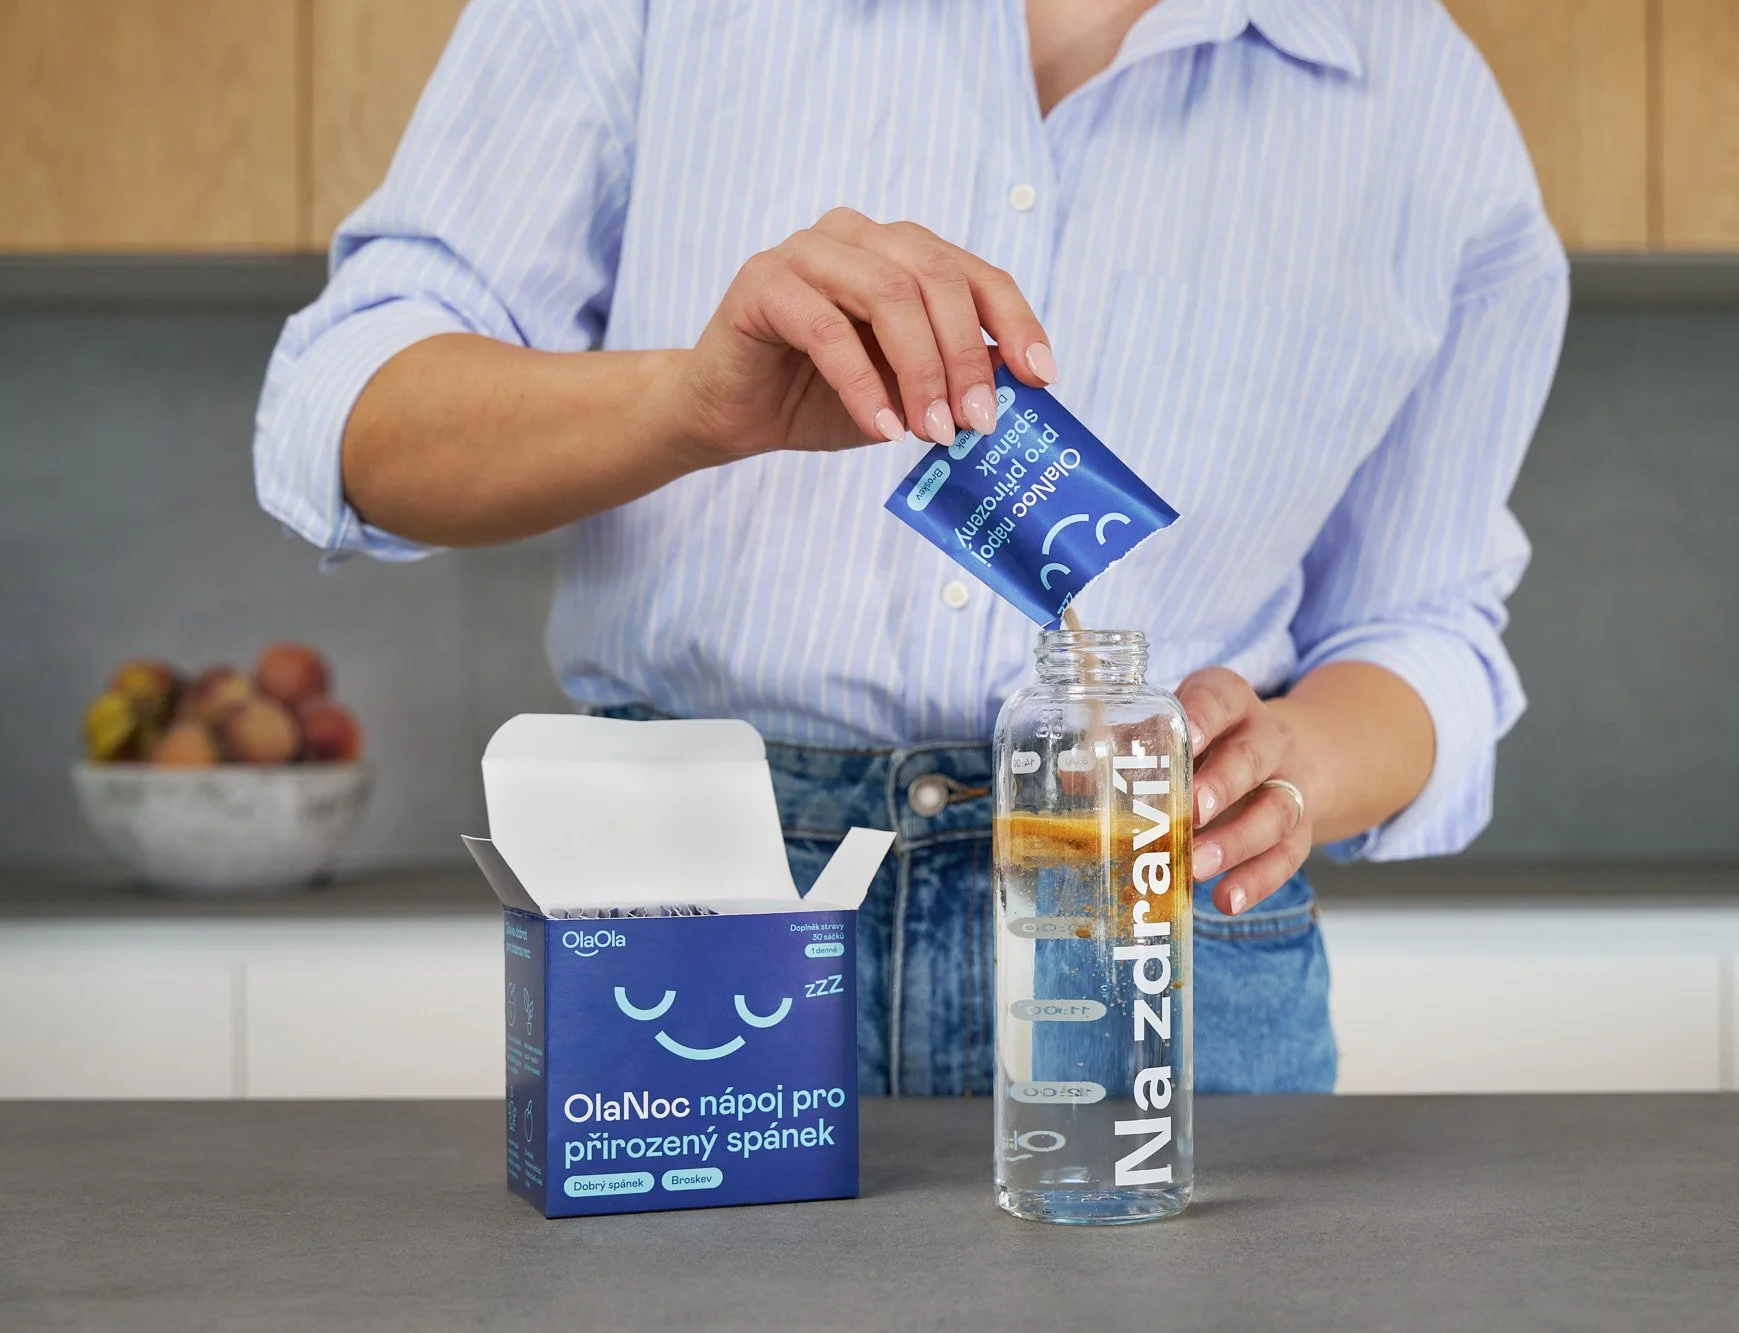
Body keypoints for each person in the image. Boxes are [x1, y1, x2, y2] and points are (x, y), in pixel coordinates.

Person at [254, 0, 1568, 1095]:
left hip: (1157, 915)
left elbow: (1426, 626)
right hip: (707, 898)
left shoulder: (1422, 103)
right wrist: (686, 405)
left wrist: (1297, 763)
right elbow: (343, 420)